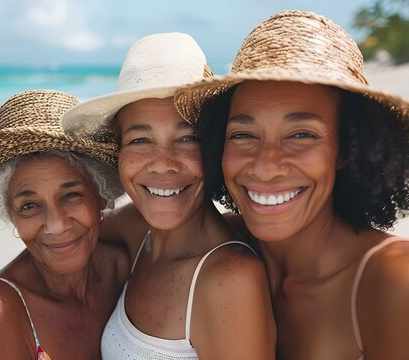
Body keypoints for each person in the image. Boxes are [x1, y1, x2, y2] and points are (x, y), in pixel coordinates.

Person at [175, 10, 409, 360]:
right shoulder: (220, 243)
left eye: (301, 134)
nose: (267, 166)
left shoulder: (392, 281)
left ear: (347, 148)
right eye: (243, 134)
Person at [62, 32, 276, 359]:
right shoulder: (138, 230)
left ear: (215, 147)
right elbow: (65, 234)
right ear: (118, 152)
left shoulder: (229, 278)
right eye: (139, 140)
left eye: (188, 138)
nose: (163, 164)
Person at [0, 89, 130, 359]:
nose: (56, 225)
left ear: (101, 195)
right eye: (29, 206)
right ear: (9, 213)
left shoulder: (127, 266)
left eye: (71, 195)